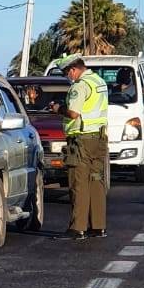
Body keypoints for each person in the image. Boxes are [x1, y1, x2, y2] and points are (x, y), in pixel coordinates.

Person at [52, 55, 109, 240]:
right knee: (96, 180)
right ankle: (98, 226)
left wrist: (58, 108)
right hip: (99, 139)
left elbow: (73, 113)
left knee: (78, 183)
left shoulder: (80, 85)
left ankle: (78, 228)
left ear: (72, 69)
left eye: (67, 74)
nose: (68, 77)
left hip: (82, 140)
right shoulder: (99, 81)